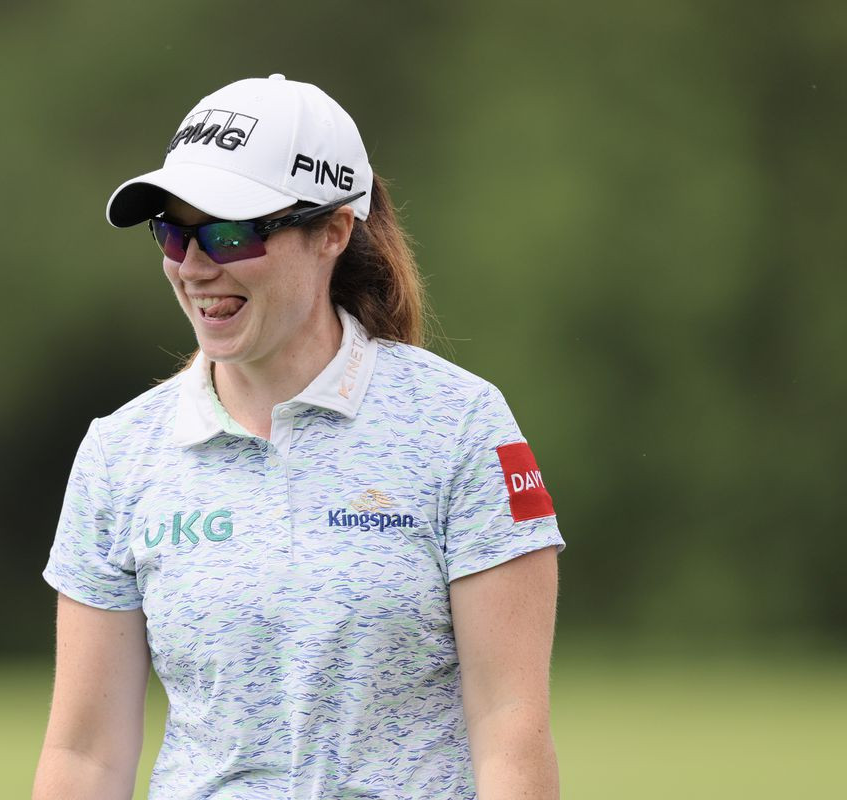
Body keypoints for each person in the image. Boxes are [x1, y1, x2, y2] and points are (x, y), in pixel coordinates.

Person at [33, 74, 564, 800]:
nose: (193, 265)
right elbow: (85, 756)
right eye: (172, 231)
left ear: (333, 234)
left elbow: (511, 731)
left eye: (227, 232)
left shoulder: (460, 426)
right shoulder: (120, 454)